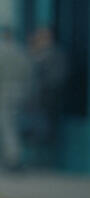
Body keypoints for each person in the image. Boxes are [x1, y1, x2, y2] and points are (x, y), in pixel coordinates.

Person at [0, 26, 31, 171]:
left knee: (5, 126)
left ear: (2, 35)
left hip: (3, 91)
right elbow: (28, 72)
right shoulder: (20, 51)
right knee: (13, 126)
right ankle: (13, 157)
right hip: (19, 92)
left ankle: (11, 159)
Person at [28, 25, 68, 166]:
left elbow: (56, 78)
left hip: (48, 101)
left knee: (46, 133)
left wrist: (45, 89)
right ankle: (37, 161)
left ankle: (46, 163)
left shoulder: (55, 54)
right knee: (36, 132)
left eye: (42, 36)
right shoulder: (36, 54)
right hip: (35, 102)